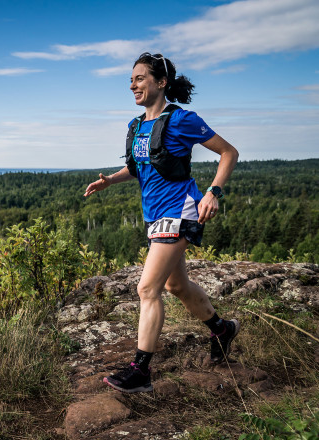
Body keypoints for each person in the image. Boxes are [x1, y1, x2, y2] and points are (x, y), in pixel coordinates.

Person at [83, 52, 240, 394]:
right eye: (131, 79)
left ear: (161, 82)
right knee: (176, 287)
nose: (133, 85)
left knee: (147, 289)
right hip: (153, 216)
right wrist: (110, 180)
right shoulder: (136, 126)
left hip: (180, 211)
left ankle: (140, 371)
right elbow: (140, 167)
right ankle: (222, 329)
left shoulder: (182, 120)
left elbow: (229, 152)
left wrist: (213, 192)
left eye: (139, 78)